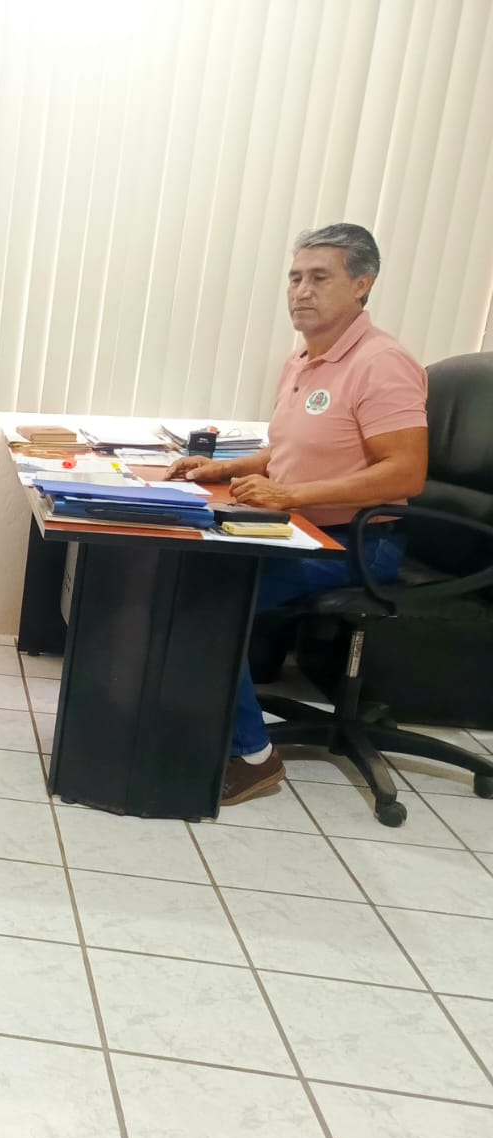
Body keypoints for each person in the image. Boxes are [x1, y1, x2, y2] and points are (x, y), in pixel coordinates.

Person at [166, 224, 428, 805]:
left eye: (319, 278)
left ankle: (252, 758)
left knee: (212, 601)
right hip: (302, 527)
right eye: (295, 277)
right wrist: (225, 469)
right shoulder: (304, 359)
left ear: (362, 284)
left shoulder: (381, 363)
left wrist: (292, 496)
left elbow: (406, 472)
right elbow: (292, 450)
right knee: (191, 573)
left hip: (359, 542)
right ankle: (198, 724)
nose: (301, 291)